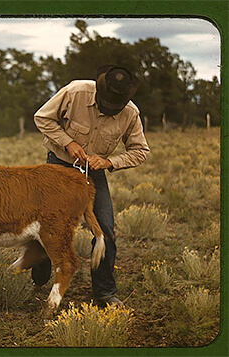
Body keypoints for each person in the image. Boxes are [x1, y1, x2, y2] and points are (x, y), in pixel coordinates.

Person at [33, 64, 150, 308]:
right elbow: (42, 117)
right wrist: (68, 143)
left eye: (114, 106)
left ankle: (104, 292)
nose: (109, 108)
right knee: (50, 224)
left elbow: (140, 152)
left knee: (105, 230)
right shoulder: (75, 92)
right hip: (59, 166)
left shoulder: (131, 113)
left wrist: (109, 161)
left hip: (93, 173)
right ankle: (41, 267)